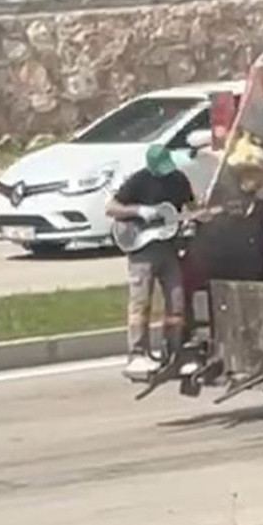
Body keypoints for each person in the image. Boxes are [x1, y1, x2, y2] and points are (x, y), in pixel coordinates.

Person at [107, 143, 195, 381]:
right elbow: (112, 208)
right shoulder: (139, 181)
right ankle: (137, 352)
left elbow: (191, 207)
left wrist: (194, 218)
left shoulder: (178, 180)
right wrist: (138, 211)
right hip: (141, 250)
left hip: (168, 249)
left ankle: (174, 349)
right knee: (140, 303)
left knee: (176, 300)